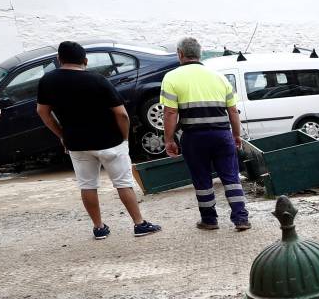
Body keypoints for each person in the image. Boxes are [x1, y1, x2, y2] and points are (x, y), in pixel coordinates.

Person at [36, 41, 161, 240]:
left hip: (76, 143)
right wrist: (125, 139)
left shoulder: (47, 81)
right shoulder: (98, 80)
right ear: (85, 60)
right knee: (123, 184)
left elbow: (43, 112)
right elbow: (122, 115)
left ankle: (99, 227)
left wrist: (62, 135)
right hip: (110, 141)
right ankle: (139, 224)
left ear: (59, 60)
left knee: (87, 185)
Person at [159, 37, 250, 231]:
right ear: (199, 54)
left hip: (194, 137)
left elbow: (170, 112)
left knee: (202, 179)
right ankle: (241, 219)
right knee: (231, 177)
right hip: (222, 135)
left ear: (180, 54)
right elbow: (233, 111)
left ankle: (210, 220)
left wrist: (169, 140)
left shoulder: (172, 77)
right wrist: (236, 135)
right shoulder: (219, 77)